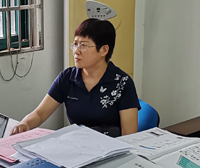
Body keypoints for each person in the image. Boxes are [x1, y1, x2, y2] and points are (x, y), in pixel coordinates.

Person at [11, 19, 140, 137]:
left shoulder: (122, 83)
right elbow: (40, 114)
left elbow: (130, 136)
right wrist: (24, 124)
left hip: (111, 149)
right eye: (75, 44)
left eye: (83, 45)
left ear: (104, 50)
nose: (76, 51)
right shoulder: (67, 78)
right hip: (77, 145)